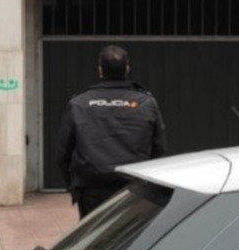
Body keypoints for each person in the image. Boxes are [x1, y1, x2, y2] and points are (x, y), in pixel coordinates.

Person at [56, 45, 168, 218]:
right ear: (127, 69)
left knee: (94, 239)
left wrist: (74, 185)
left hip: (92, 191)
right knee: (132, 239)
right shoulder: (146, 102)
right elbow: (159, 149)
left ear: (100, 70)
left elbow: (62, 154)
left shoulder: (79, 103)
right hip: (134, 189)